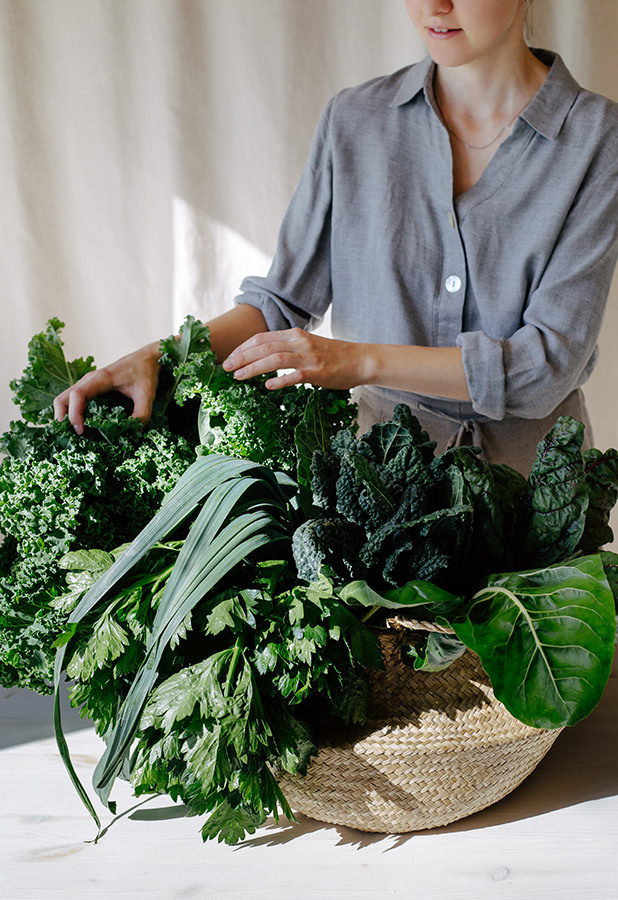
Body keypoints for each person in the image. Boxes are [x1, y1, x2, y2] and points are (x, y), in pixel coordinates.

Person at [54, 0, 618, 475]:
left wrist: (359, 360)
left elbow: (545, 367)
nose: (434, 5)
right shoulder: (354, 120)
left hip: (539, 504)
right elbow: (279, 305)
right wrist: (159, 358)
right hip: (379, 490)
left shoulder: (599, 140)